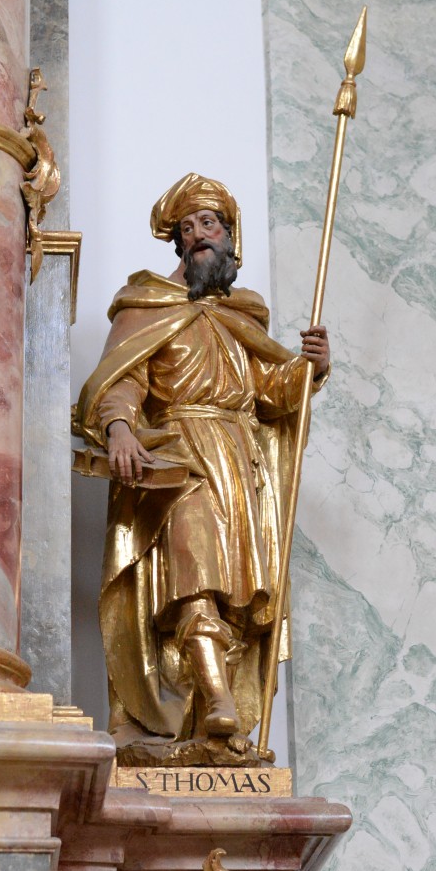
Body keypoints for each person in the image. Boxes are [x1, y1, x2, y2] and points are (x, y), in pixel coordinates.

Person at [74, 174, 329, 764]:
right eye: (186, 230)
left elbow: (270, 396)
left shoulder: (245, 316)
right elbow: (120, 385)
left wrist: (307, 370)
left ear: (229, 238)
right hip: (180, 456)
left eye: (207, 225)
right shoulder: (145, 306)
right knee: (195, 572)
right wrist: (117, 429)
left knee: (239, 599)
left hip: (241, 466)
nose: (197, 238)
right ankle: (217, 699)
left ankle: (212, 725)